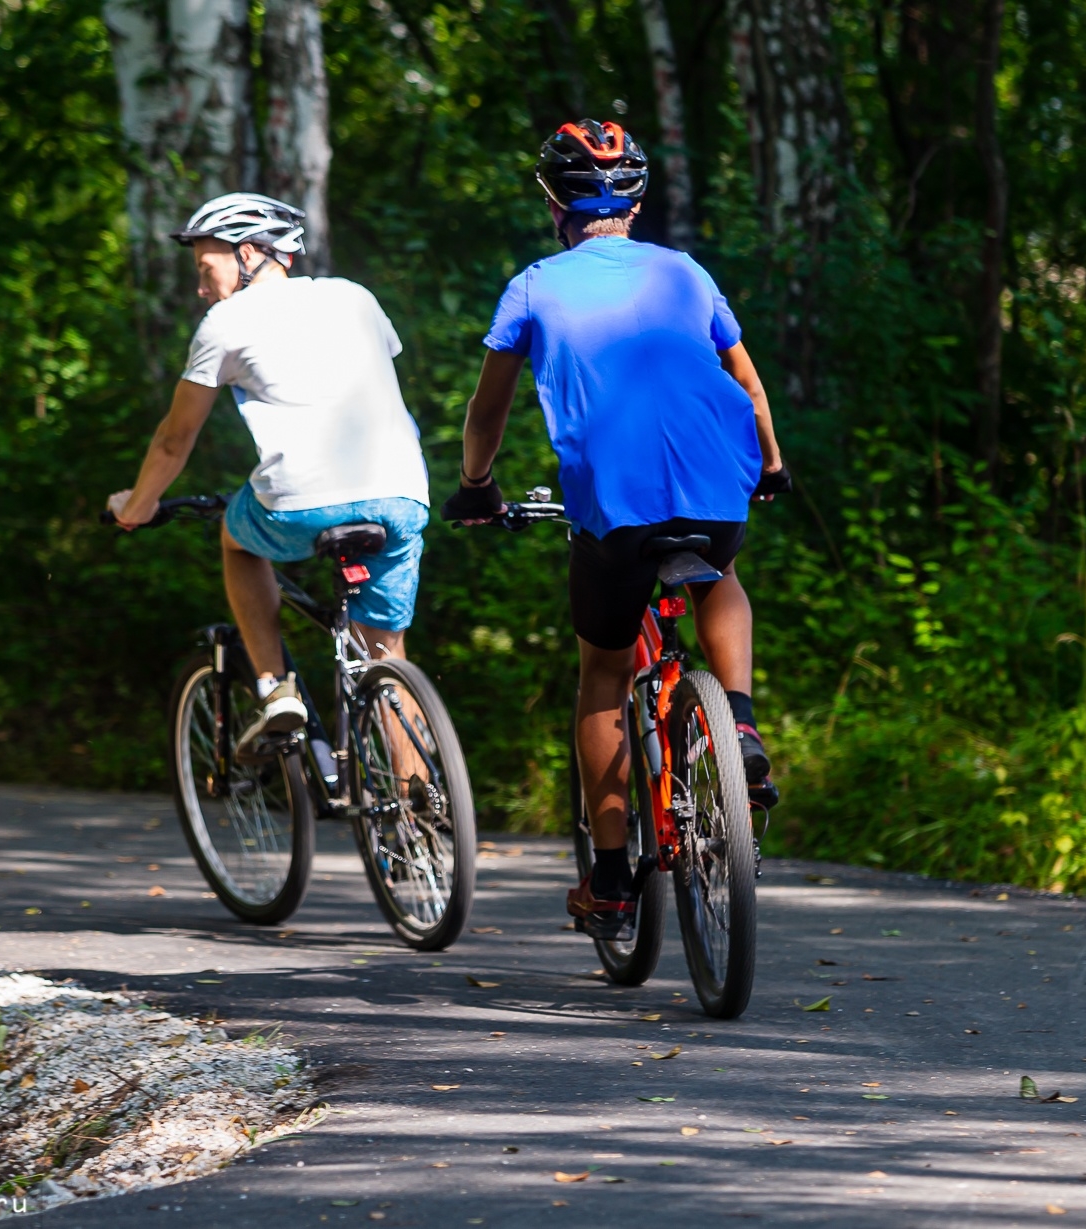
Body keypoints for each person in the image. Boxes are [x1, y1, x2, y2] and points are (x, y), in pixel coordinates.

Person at [442, 120, 788, 940]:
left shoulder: (532, 285)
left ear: (554, 201)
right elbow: (748, 381)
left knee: (602, 670)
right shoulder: (686, 272)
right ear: (635, 201)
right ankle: (736, 717)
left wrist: (476, 486)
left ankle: (609, 879)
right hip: (716, 477)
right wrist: (770, 465)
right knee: (720, 574)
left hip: (614, 497)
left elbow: (487, 409)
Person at [108, 193, 430, 757]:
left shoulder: (224, 322)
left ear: (250, 253)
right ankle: (423, 826)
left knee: (237, 539)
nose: (202, 288)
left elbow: (174, 439)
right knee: (385, 659)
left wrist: (135, 506)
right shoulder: (355, 297)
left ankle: (273, 687)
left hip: (301, 501)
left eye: (206, 269)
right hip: (402, 494)